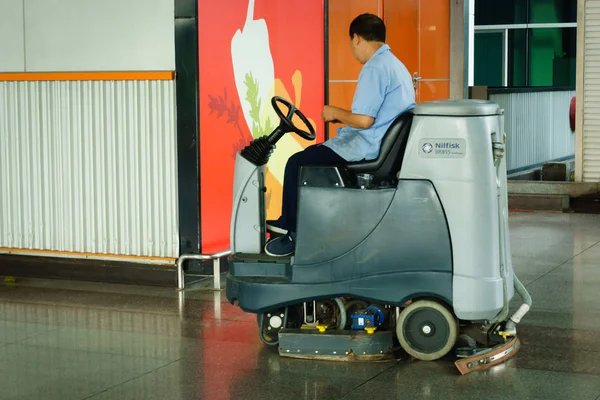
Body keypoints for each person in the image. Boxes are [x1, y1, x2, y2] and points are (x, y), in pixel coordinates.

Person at [265, 13, 415, 257]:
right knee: (310, 155)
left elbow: (365, 121)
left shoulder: (375, 68)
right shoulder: (397, 66)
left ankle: (292, 234)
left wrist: (334, 112)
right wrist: (341, 117)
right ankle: (291, 226)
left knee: (296, 163)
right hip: (380, 146)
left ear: (356, 38)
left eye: (350, 43)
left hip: (366, 146)